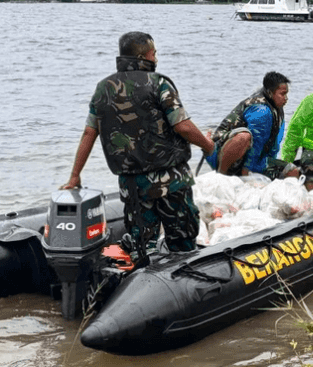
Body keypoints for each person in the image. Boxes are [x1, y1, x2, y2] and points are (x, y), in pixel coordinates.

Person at [60, 32, 214, 264]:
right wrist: (208, 145)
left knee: (142, 246)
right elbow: (182, 126)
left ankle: (142, 274)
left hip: (132, 184)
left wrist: (74, 176)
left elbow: (89, 133)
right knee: (183, 242)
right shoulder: (158, 83)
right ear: (143, 56)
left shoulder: (103, 88)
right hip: (170, 180)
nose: (156, 59)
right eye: (154, 54)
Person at [205, 71, 295, 179]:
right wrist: (246, 173)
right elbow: (257, 142)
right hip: (224, 153)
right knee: (244, 137)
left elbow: (275, 143)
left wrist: (271, 163)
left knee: (293, 172)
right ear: (270, 92)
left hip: (257, 160)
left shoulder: (277, 107)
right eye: (282, 94)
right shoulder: (261, 110)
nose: (286, 98)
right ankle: (222, 176)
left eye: (286, 94)